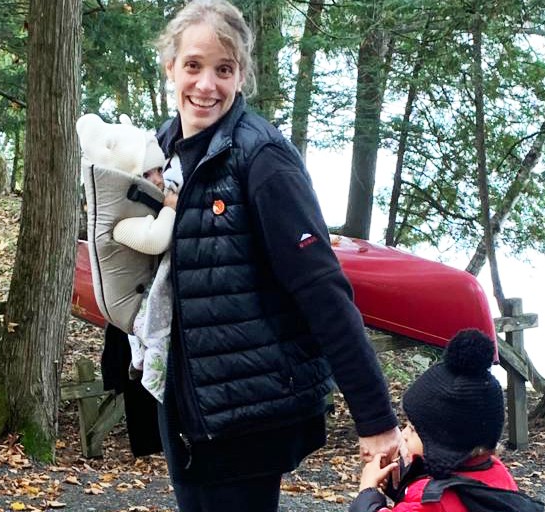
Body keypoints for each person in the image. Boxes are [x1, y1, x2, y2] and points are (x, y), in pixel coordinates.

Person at [145, 0, 401, 510]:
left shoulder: (261, 158)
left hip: (248, 410)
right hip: (187, 403)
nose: (206, 85)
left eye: (224, 69)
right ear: (170, 67)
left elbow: (321, 288)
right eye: (193, 66)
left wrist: (375, 419)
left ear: (242, 76)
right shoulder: (161, 151)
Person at [349, 330, 541, 512]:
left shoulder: (436, 502)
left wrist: (367, 493)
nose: (404, 434)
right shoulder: (495, 471)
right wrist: (395, 484)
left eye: (413, 429)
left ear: (444, 441)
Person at [76, 113, 179, 402]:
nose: (158, 180)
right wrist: (171, 208)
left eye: (159, 170)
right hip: (132, 310)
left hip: (138, 301)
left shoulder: (140, 212)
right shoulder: (118, 225)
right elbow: (156, 240)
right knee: (160, 334)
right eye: (147, 175)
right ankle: (154, 379)